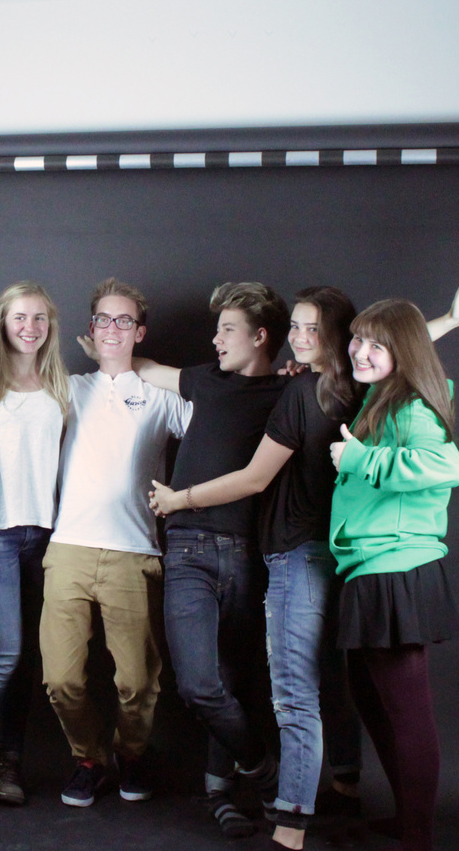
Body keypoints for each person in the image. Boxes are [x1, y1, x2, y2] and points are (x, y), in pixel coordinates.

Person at [151, 268, 459, 849]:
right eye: (295, 326)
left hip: (327, 560)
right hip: (345, 560)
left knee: (305, 693)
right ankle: (354, 795)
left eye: (310, 328)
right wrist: (448, 321)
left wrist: (181, 498)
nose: (299, 336)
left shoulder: (323, 393)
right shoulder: (362, 387)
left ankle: (295, 825)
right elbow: (389, 347)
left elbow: (256, 479)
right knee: (343, 687)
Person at [98, 282, 291, 838]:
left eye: (227, 330)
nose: (216, 339)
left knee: (235, 678)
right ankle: (260, 768)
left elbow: (353, 366)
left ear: (260, 337)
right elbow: (148, 367)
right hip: (186, 550)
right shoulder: (206, 378)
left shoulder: (286, 392)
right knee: (199, 684)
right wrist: (108, 341)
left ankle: (220, 791)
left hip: (247, 553)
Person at [40, 278, 191, 809]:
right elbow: (2, 409)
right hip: (68, 550)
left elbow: (222, 417)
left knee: (137, 682)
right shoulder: (67, 389)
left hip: (135, 552)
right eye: (103, 319)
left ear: (139, 332)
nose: (112, 328)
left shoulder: (161, 397)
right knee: (61, 679)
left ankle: (130, 752)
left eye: (123, 320)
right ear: (90, 329)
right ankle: (89, 758)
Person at [327, 298, 459, 851]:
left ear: (400, 354)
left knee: (406, 709)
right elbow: (400, 345)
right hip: (369, 566)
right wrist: (448, 322)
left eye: (374, 344)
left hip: (396, 566)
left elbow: (448, 467)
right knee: (371, 697)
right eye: (357, 338)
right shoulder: (384, 393)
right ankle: (412, 819)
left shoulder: (411, 407)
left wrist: (363, 461)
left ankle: (418, 837)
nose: (359, 351)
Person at [0, 283, 69, 810]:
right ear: (3, 323)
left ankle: (10, 763)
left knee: (27, 660)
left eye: (40, 319)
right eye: (20, 318)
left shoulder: (61, 386)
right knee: (4, 654)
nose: (30, 327)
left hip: (46, 535)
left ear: (51, 325)